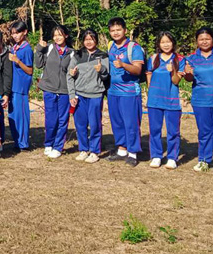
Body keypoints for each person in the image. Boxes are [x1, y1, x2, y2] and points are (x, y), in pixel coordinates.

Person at [181, 27, 213, 174]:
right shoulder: (190, 58)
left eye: (207, 38)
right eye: (201, 39)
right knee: (204, 132)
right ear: (196, 41)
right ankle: (204, 160)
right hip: (200, 101)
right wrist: (187, 74)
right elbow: (189, 78)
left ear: (212, 39)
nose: (204, 41)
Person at [106, 17, 145, 167]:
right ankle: (122, 149)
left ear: (125, 30)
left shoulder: (133, 47)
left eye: (118, 29)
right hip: (113, 91)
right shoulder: (111, 47)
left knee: (131, 123)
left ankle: (133, 152)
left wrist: (123, 65)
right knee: (117, 122)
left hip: (129, 91)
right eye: (113, 30)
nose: (116, 33)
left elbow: (137, 69)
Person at [67, 29, 109, 164]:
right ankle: (83, 149)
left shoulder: (103, 56)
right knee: (80, 124)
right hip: (79, 95)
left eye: (91, 39)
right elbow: (69, 75)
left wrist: (101, 70)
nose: (89, 41)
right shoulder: (77, 55)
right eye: (86, 39)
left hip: (95, 95)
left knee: (95, 123)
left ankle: (95, 151)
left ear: (96, 40)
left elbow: (106, 76)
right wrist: (72, 94)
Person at [145, 32, 185, 169]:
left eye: (168, 42)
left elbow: (176, 81)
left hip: (171, 101)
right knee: (155, 129)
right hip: (154, 101)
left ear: (173, 43)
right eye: (163, 42)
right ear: (158, 44)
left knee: (173, 131)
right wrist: (151, 89)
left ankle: (172, 157)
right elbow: (148, 73)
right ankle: (156, 156)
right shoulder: (154, 58)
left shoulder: (179, 59)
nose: (166, 45)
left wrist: (172, 71)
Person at [35, 25, 72, 158]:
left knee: (63, 120)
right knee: (50, 119)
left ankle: (58, 146)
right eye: (55, 35)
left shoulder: (72, 52)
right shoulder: (49, 48)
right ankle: (48, 143)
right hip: (49, 89)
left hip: (65, 91)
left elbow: (73, 72)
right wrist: (39, 49)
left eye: (60, 35)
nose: (57, 37)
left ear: (66, 36)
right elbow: (38, 64)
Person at [7, 21, 34, 152]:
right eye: (13, 33)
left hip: (21, 87)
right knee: (13, 115)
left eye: (17, 33)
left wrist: (18, 61)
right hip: (13, 86)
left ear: (24, 32)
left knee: (21, 115)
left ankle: (23, 143)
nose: (15, 36)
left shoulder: (27, 49)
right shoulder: (15, 47)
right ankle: (16, 142)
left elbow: (30, 70)